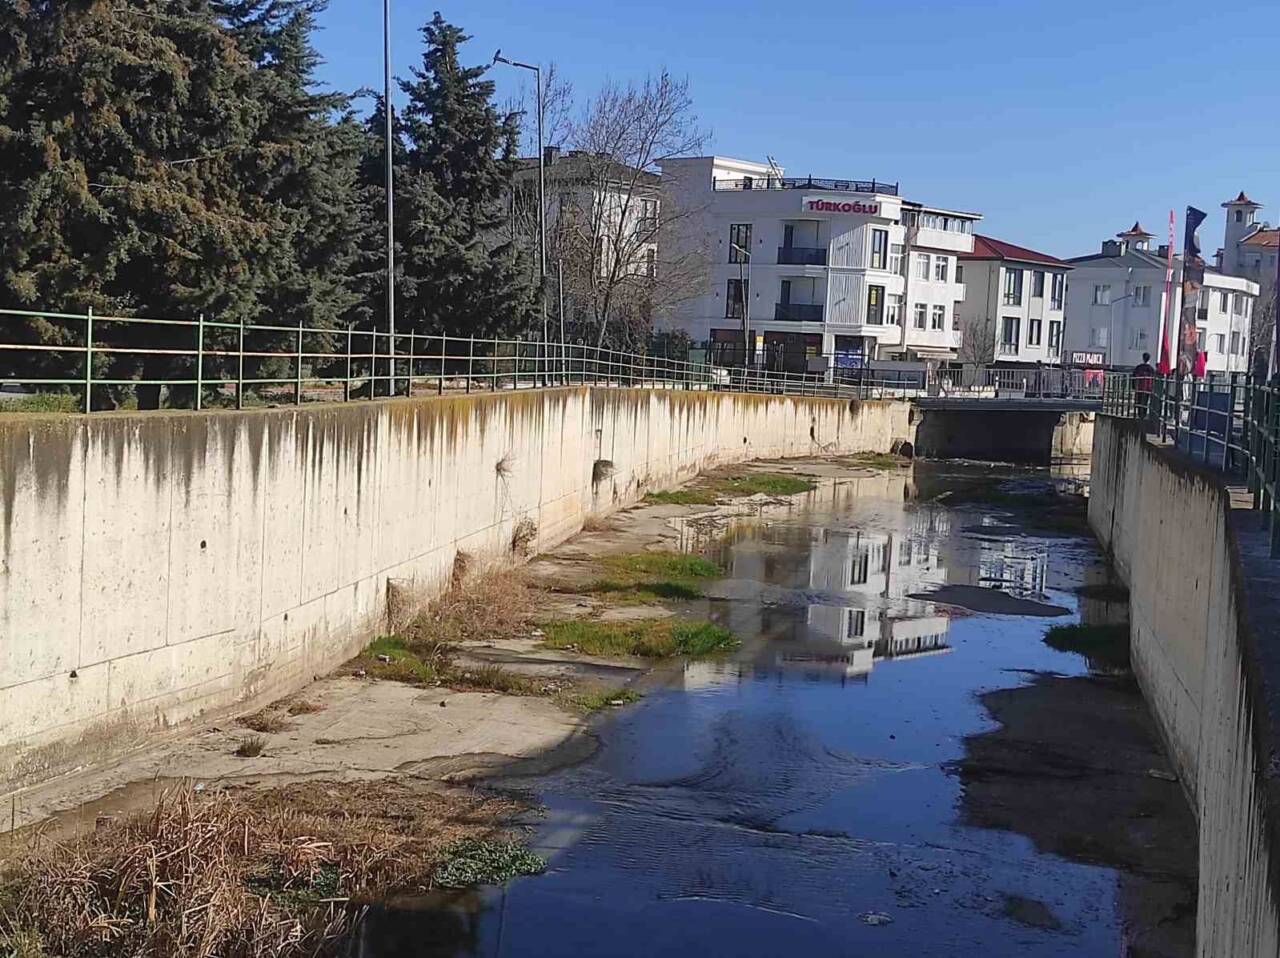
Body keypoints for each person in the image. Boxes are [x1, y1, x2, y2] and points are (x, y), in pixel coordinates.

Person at [1132, 352, 1156, 419]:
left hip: (1139, 388)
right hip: (1147, 388)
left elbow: (1134, 377)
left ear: (1143, 358)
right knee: (1145, 401)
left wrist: (1134, 387)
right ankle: (1144, 415)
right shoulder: (1151, 369)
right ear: (1149, 359)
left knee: (1139, 401)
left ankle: (1139, 414)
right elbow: (1153, 380)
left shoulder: (1138, 367)